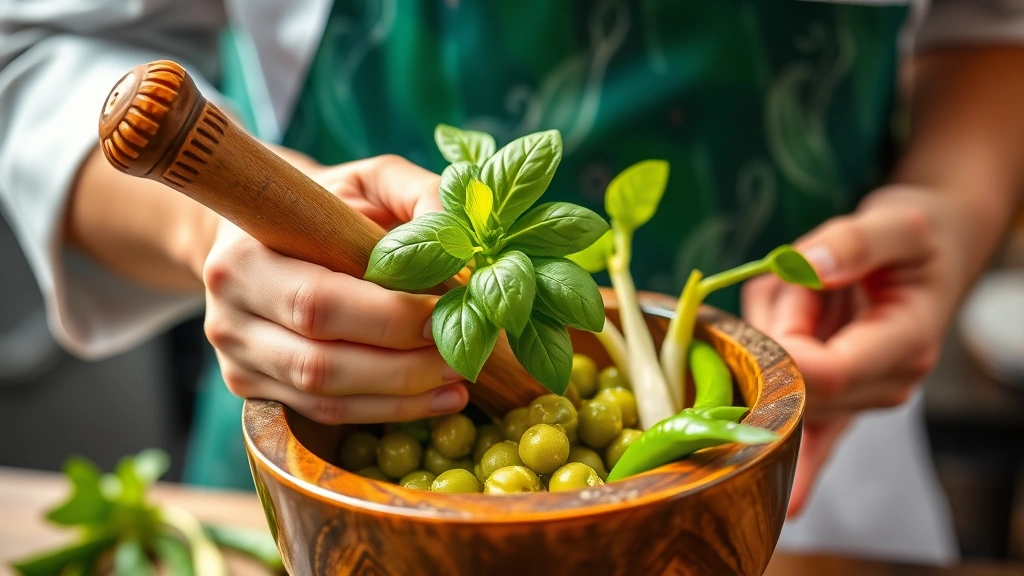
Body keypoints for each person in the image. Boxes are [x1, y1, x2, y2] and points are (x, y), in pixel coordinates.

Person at [3, 0, 1024, 564]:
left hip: (799, 496)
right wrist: (203, 227)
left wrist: (950, 202)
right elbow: (39, 58)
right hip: (330, 418)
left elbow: (985, 28)